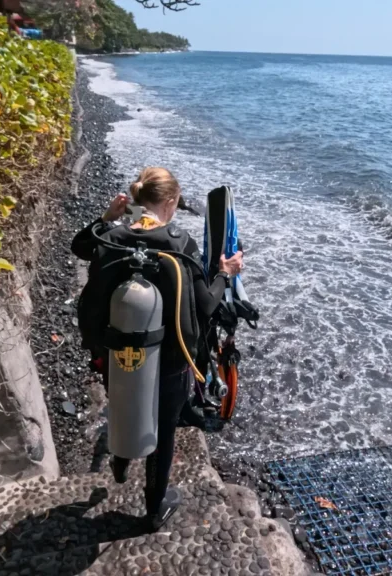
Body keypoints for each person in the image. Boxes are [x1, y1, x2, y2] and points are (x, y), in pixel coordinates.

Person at [72, 167, 243, 530]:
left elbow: (80, 246)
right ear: (170, 202)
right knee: (164, 431)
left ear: (137, 198)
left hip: (116, 351)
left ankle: (120, 460)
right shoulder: (180, 244)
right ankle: (154, 508)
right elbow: (207, 305)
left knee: (122, 398)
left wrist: (107, 218)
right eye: (176, 204)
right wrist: (225, 272)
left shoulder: (114, 235)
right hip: (171, 360)